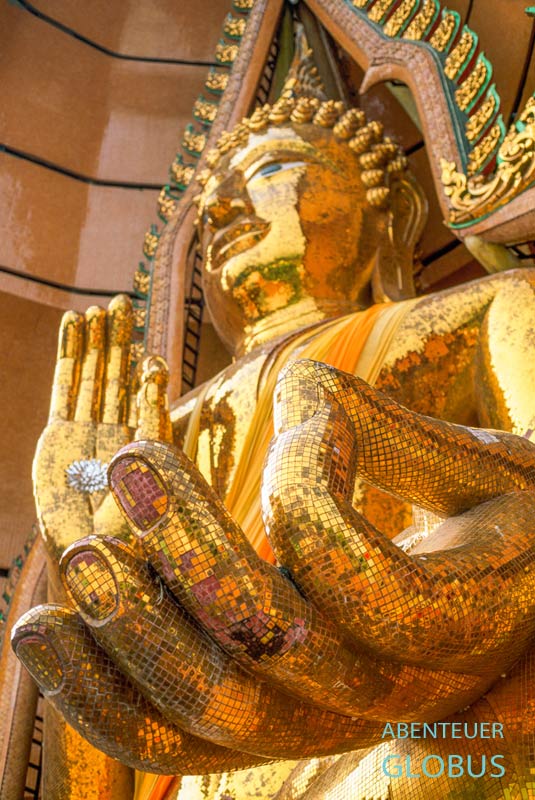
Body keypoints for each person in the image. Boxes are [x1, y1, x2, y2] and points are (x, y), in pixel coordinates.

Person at [12, 94, 535, 799]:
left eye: (274, 167)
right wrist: (75, 530)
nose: (225, 212)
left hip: (410, 716)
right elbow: (104, 729)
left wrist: (422, 601)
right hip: (208, 761)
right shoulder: (160, 426)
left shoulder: (480, 309)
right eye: (214, 203)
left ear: (382, 212)